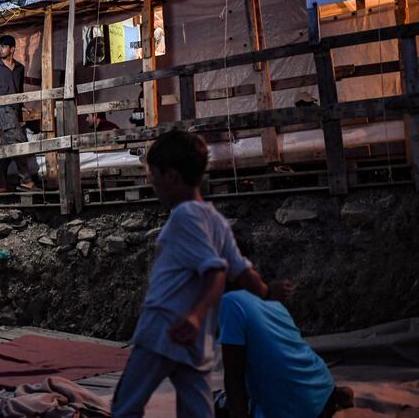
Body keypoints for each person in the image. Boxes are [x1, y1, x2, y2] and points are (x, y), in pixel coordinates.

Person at [111, 130, 278, 418]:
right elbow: (241, 272)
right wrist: (268, 293)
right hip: (196, 340)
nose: (151, 182)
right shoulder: (214, 219)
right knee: (197, 410)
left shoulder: (184, 217)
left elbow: (216, 271)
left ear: (172, 177)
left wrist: (195, 314)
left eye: (153, 174)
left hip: (163, 329)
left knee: (127, 405)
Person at [218, 290, 354, 418]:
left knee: (216, 405)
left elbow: (234, 377)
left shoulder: (230, 302)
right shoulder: (274, 303)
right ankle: (337, 394)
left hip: (297, 410)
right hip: (325, 390)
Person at [0, 34, 36, 192]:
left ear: (12, 49)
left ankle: (1, 183)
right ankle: (26, 180)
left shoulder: (19, 68)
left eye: (3, 46)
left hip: (15, 111)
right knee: (20, 141)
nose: (0, 49)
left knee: (6, 147)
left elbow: (19, 90)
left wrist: (22, 106)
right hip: (0, 109)